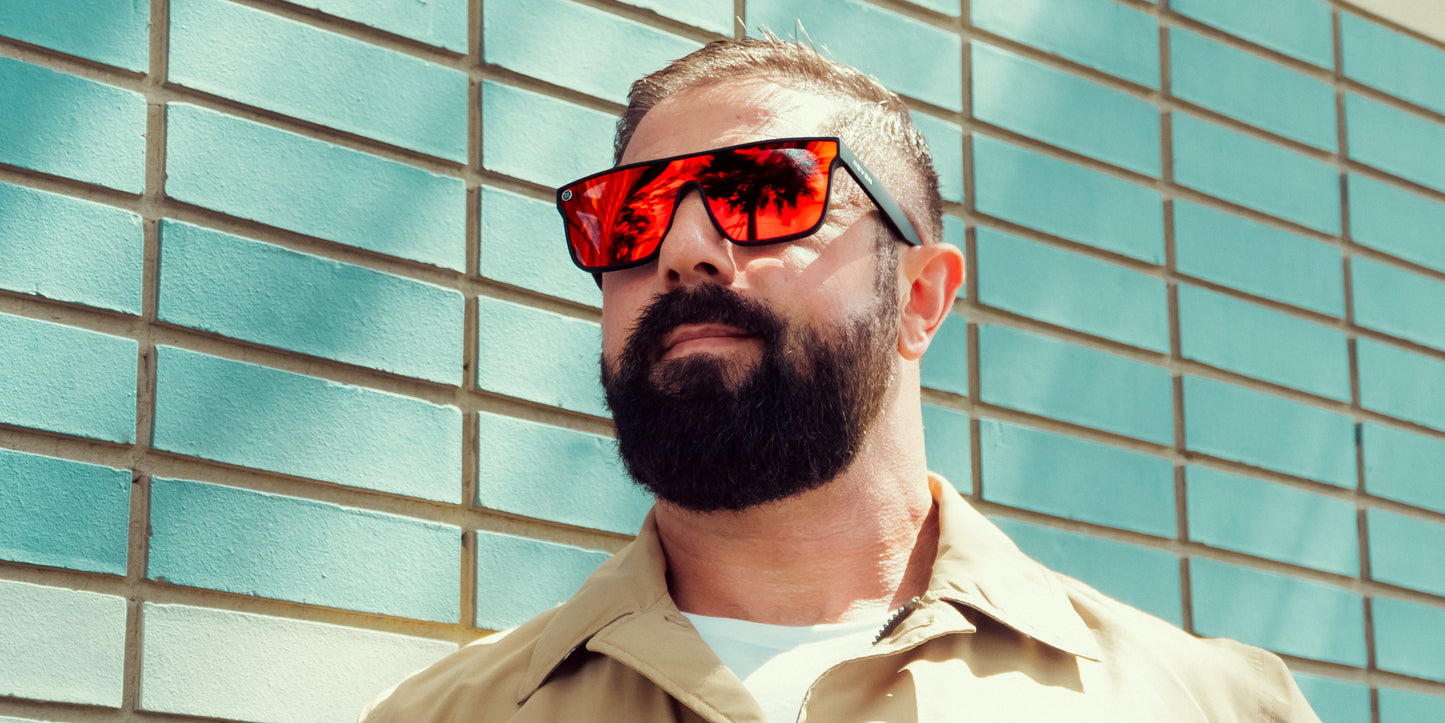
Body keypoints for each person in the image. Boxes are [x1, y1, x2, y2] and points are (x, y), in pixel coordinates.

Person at [359, 36, 1321, 722]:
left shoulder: (1211, 705)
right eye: (631, 215)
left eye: (770, 192)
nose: (685, 248)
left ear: (920, 297)